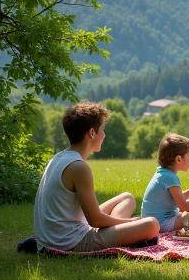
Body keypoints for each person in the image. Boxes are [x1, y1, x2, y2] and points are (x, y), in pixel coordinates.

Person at [34, 101, 159, 252]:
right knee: (151, 224)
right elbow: (95, 220)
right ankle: (131, 234)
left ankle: (129, 233)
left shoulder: (59, 158)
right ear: (92, 133)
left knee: (127, 198)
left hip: (56, 236)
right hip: (71, 242)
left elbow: (91, 216)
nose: (104, 135)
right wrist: (131, 221)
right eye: (102, 130)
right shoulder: (79, 167)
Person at [141, 133, 189, 232]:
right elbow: (183, 207)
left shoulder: (164, 173)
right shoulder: (170, 177)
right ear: (178, 159)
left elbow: (176, 200)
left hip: (162, 219)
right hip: (162, 224)